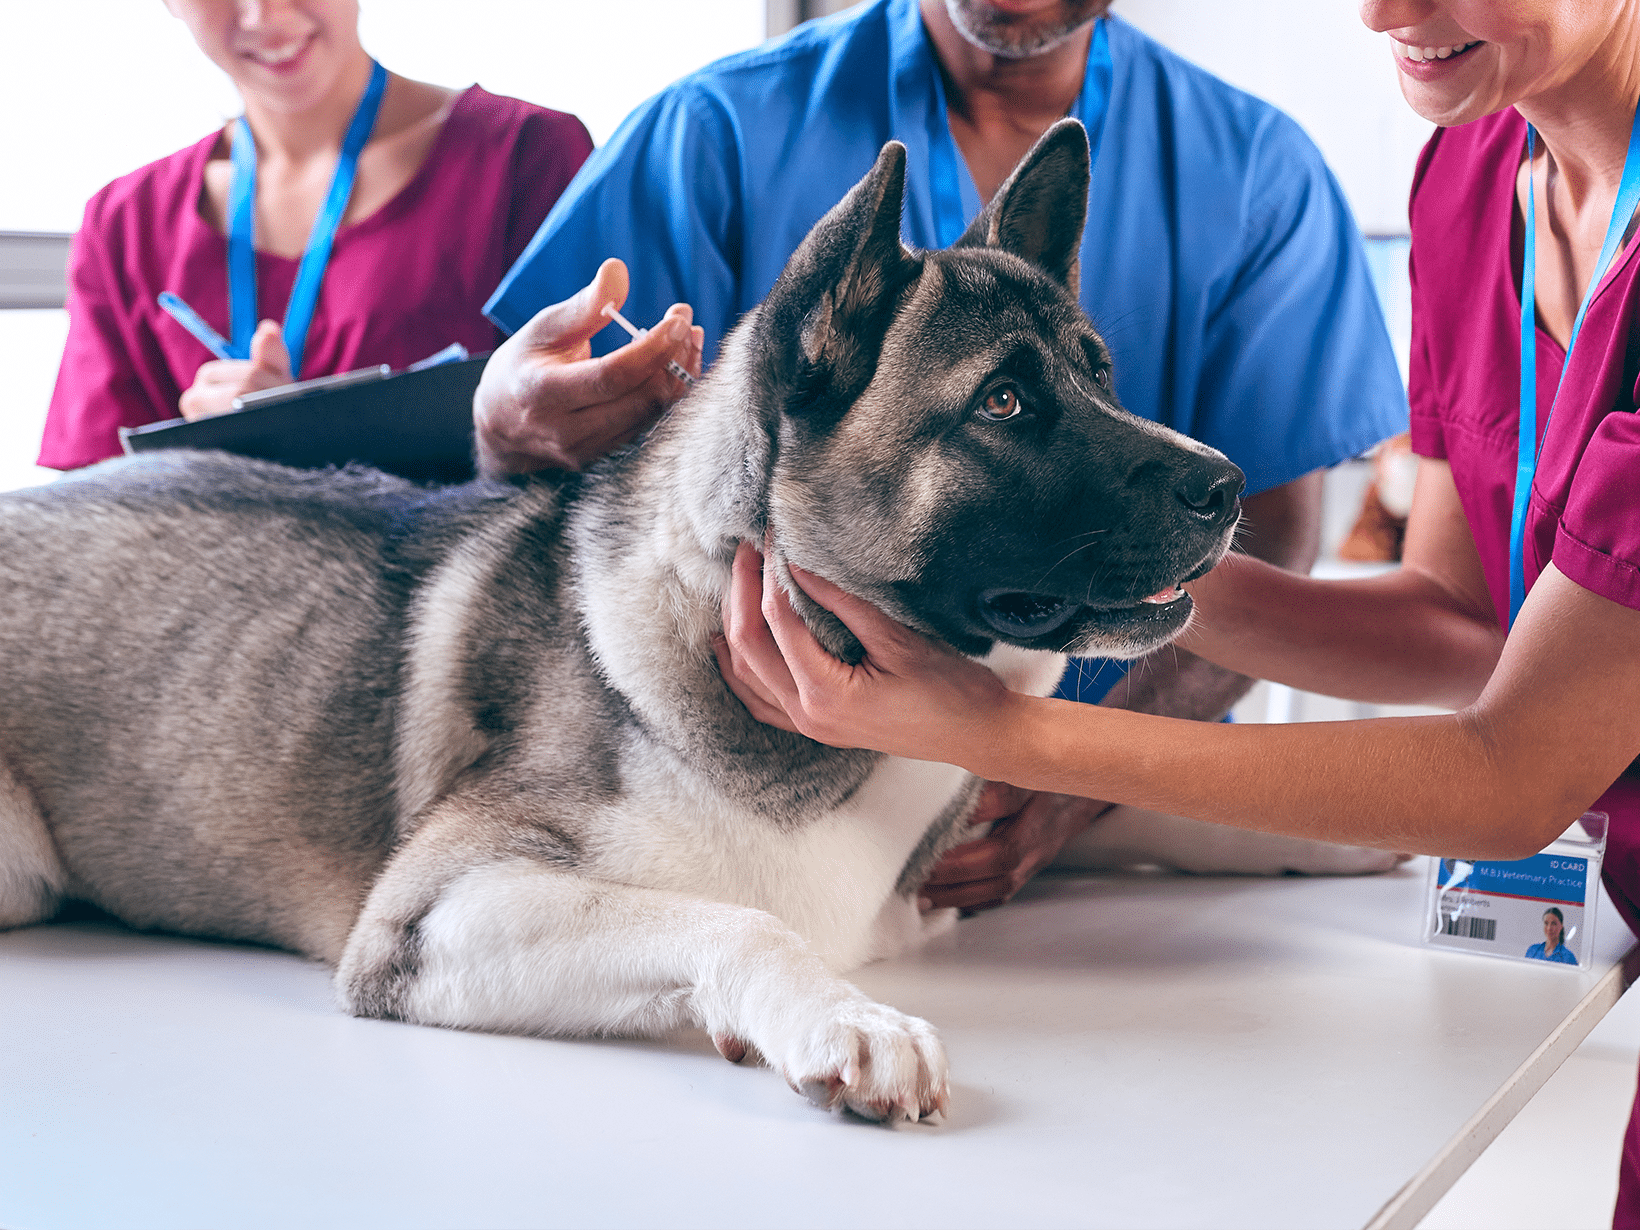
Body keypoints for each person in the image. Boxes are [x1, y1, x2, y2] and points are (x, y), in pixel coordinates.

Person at [714, 0, 1640, 1220]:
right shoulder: (1467, 170)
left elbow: (1510, 772)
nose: (1383, 14)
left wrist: (986, 728)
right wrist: (1106, 550)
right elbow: (1466, 628)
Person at [471, 0, 1408, 908]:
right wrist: (502, 428)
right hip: (736, 812)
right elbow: (524, 492)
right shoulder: (709, 132)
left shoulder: (1257, 174)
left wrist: (1072, 781)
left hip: (1103, 834)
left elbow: (1267, 536)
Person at [39, 0, 592, 469]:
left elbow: (603, 445)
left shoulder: (525, 156)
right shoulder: (125, 224)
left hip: (463, 588)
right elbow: (89, 502)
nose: (263, 15)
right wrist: (189, 463)